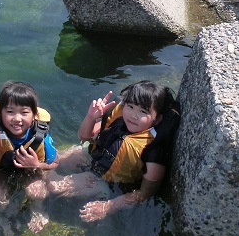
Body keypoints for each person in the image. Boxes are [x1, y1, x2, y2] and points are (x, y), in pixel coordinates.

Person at [48, 80, 180, 223]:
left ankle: (40, 203)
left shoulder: (153, 150)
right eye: (130, 106)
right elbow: (84, 136)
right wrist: (91, 117)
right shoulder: (118, 118)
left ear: (157, 119)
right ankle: (37, 178)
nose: (133, 115)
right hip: (91, 157)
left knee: (53, 187)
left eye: (143, 111)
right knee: (53, 159)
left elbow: (144, 193)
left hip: (105, 180)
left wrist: (108, 207)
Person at [0, 81, 58, 234]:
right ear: (1, 112)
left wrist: (37, 164)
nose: (17, 119)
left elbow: (55, 162)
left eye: (24, 113)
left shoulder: (41, 136)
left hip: (30, 169)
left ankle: (37, 210)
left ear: (34, 115)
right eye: (10, 112)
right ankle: (0, 216)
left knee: (38, 193)